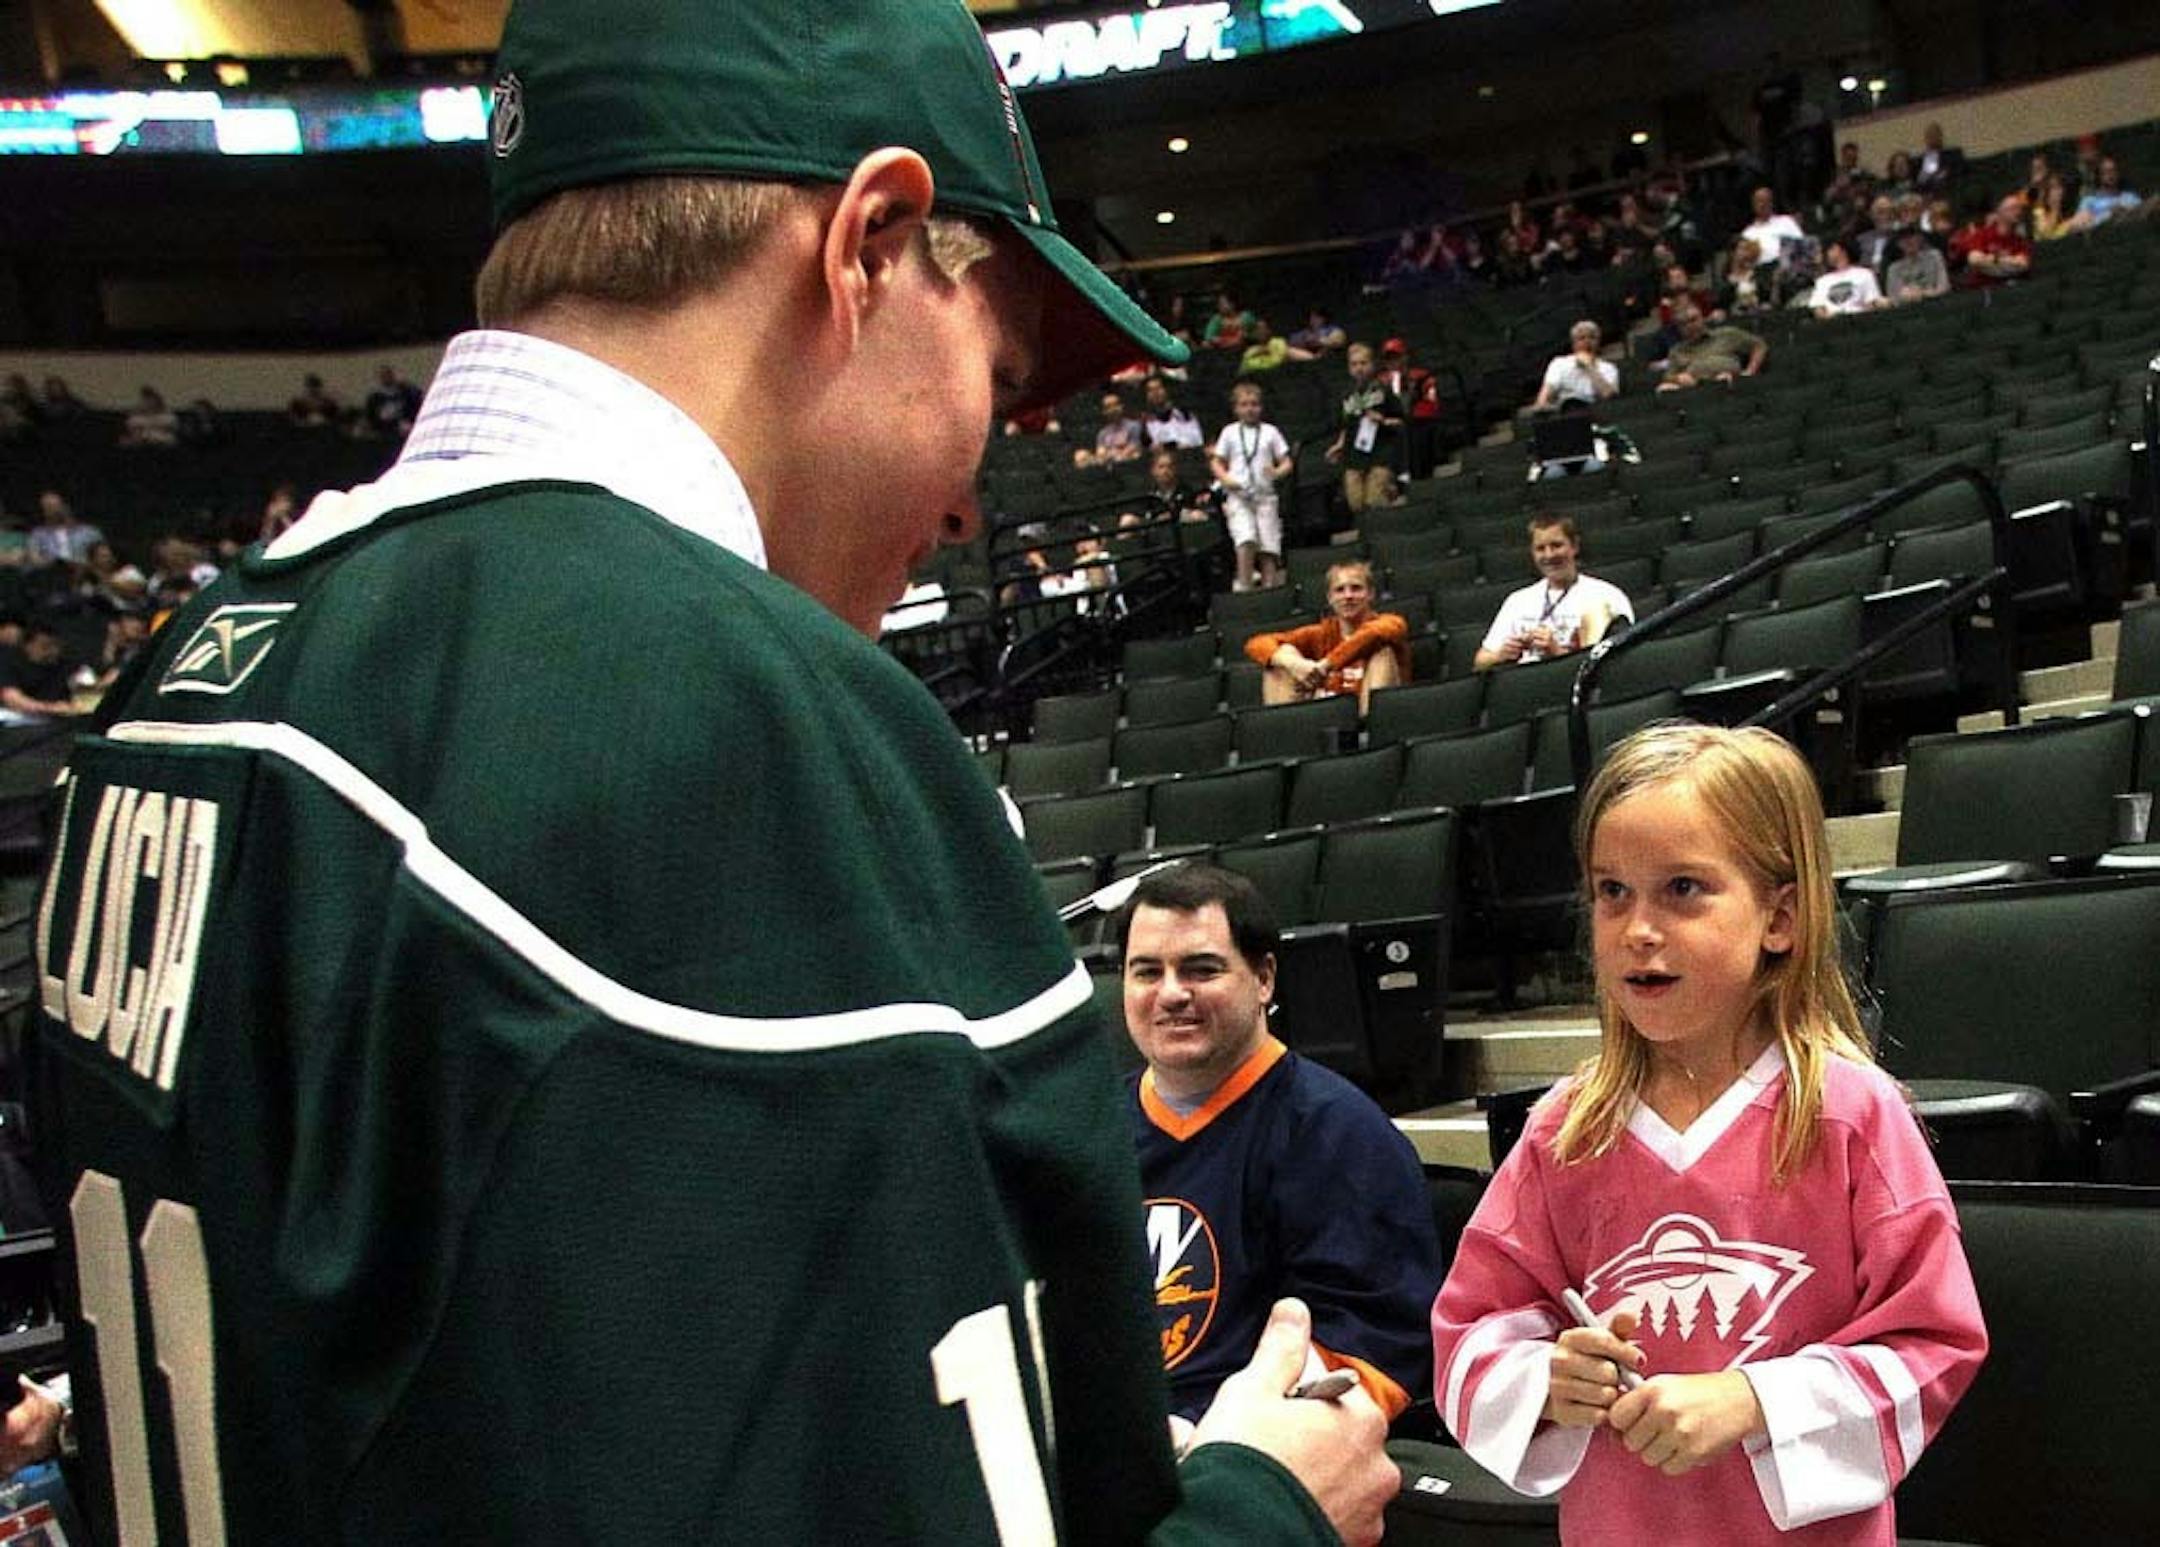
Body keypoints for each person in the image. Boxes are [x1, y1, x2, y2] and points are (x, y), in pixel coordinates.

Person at [28, 2, 1396, 1542]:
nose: (970, 502)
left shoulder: (189, 668)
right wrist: (1261, 1508)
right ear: (870, 241)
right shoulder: (736, 722)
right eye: (997, 381)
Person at [1432, 723, 1987, 1544]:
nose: (1639, 927)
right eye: (1612, 891)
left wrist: (1753, 1400)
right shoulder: (1563, 1131)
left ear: (1780, 917)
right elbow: (1473, 1326)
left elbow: (1933, 1340)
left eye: (1683, 887)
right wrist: (1547, 1379)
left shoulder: (1852, 1114)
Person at [1119, 865, 1440, 1426]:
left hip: (1247, 1460)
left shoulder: (1340, 1133)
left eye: (1202, 969)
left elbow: (1374, 1345)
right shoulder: (1090, 1131)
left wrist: (1230, 1435)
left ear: (1264, 979)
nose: (1171, 993)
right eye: (1148, 972)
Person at [1244, 561, 1409, 713]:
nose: (1348, 596)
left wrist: (1327, 665)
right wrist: (1295, 665)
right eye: (1340, 590)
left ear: (1371, 594)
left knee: (1383, 652)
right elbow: (1256, 644)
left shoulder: (1390, 623)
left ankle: (1367, 731)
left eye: (1356, 588)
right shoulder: (1321, 633)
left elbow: (1371, 635)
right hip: (1323, 716)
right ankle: (1289, 729)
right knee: (1281, 655)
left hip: (1365, 713)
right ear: (1330, 598)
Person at [1475, 513, 1632, 669]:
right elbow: (1480, 662)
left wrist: (1557, 652)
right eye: (1540, 549)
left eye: (1556, 545)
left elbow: (1617, 665)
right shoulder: (1517, 600)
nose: (1549, 555)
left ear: (1574, 546)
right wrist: (1500, 655)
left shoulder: (1607, 596)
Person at [1211, 380, 1294, 592]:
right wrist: (1225, 478)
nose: (1250, 409)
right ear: (1236, 408)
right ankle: (1244, 584)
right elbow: (1216, 462)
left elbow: (1287, 461)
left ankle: (1269, 588)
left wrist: (1277, 472)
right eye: (1245, 404)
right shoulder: (1229, 432)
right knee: (1245, 539)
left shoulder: (1270, 432)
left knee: (1268, 545)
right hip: (1238, 496)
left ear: (1261, 407)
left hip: (1264, 496)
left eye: (1254, 404)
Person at [1324, 344, 1403, 515]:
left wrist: (1383, 420)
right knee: (1356, 504)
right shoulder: (1346, 395)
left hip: (1381, 453)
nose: (1359, 368)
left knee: (1374, 502)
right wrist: (1339, 444)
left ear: (1372, 364)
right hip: (1354, 455)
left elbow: (1401, 421)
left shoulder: (1383, 391)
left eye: (1363, 363)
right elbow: (1346, 425)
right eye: (1354, 364)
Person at [1657, 304, 1768, 392]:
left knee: (1723, 379)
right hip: (1695, 389)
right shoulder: (1677, 351)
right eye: (1684, 324)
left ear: (1702, 318)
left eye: (1693, 320)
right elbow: (1668, 376)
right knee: (1664, 389)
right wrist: (1678, 378)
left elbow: (1759, 345)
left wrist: (1749, 372)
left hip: (1729, 382)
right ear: (1678, 328)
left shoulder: (1726, 334)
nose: (1690, 326)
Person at [1531, 320, 1619, 412]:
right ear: (1574, 344)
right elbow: (1545, 396)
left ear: (1598, 342)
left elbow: (1609, 396)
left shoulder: (1608, 368)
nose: (1587, 342)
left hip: (1595, 412)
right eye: (1581, 338)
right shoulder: (1560, 364)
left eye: (1592, 337)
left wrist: (1589, 368)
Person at [0, 624, 79, 721]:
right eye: (45, 647)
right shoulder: (9, 664)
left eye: (56, 646)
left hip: (58, 722)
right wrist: (50, 708)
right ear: (28, 646)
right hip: (19, 721)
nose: (53, 651)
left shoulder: (65, 666)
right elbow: (12, 699)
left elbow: (86, 690)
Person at [1805, 240, 1883, 317]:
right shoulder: (1822, 281)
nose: (1828, 253)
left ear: (1843, 250)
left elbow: (1872, 301)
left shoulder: (1864, 274)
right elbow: (1818, 307)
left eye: (1832, 249)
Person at [1884, 225, 1950, 304]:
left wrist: (1922, 293)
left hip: (1937, 304)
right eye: (1903, 238)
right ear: (1898, 244)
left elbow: (1944, 287)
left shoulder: (1934, 257)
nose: (1908, 241)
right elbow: (1894, 299)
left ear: (1919, 238)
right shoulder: (1894, 269)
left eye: (1911, 236)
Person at [1141, 375, 1205, 450]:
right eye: (1150, 390)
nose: (1155, 393)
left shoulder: (1184, 413)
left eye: (1159, 388)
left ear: (1167, 390)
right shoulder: (1145, 421)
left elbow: (1197, 439)